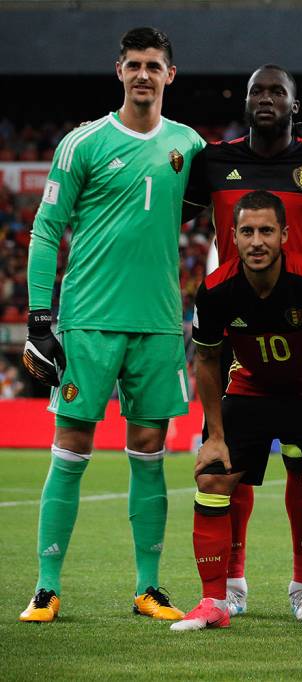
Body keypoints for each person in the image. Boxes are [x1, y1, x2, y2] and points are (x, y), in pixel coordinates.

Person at [20, 27, 205, 624]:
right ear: (119, 72)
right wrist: (39, 317)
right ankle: (47, 587)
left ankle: (148, 588)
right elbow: (46, 229)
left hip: (155, 324)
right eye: (134, 65)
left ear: (169, 75)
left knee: (149, 449)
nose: (144, 74)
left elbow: (232, 193)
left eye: (154, 65)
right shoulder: (83, 143)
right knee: (71, 447)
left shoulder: (190, 145)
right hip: (89, 321)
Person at [182, 63, 302, 622]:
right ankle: (230, 583)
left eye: (278, 91)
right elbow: (175, 211)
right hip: (236, 323)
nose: (267, 98)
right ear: (245, 101)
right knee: (229, 462)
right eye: (257, 91)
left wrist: (297, 250)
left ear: (296, 105)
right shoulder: (214, 160)